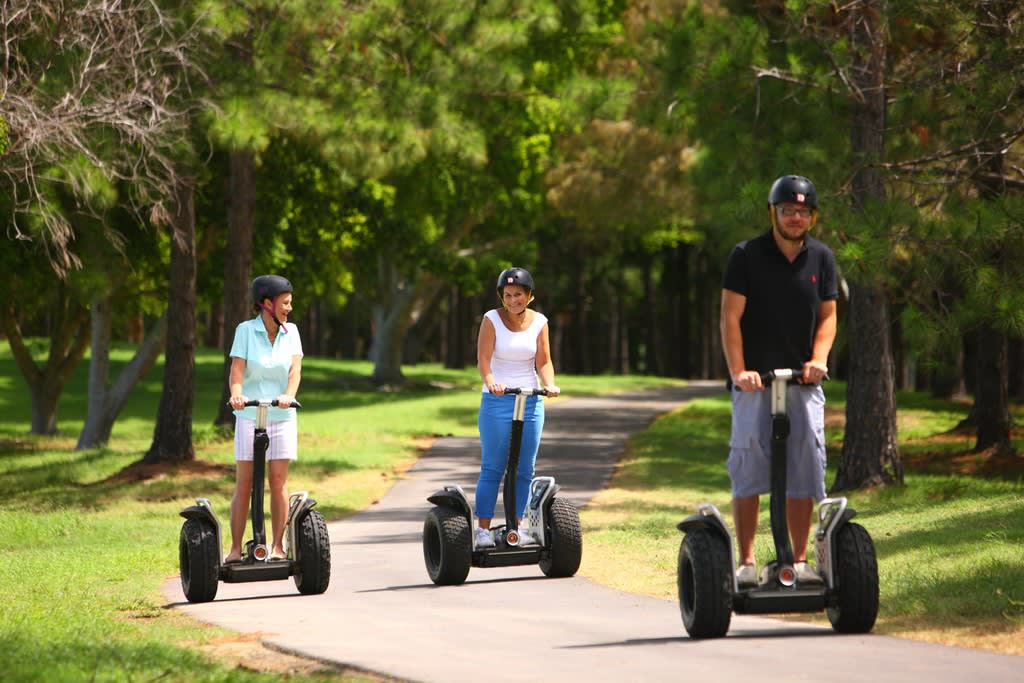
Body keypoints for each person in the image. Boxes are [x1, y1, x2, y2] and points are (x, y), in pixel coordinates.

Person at [719, 175, 838, 587]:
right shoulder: (746, 255)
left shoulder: (822, 258)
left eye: (803, 211)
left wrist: (818, 359)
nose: (796, 217)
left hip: (803, 383)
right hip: (755, 382)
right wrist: (739, 371)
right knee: (750, 467)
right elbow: (730, 318)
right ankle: (748, 562)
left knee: (804, 467)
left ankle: (800, 561)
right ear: (774, 212)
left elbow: (828, 317)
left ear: (812, 216)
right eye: (788, 210)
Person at [474, 266, 560, 548]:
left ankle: (519, 526)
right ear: (502, 297)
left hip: (530, 398)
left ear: (529, 295)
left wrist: (550, 384)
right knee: (493, 467)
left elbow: (544, 361)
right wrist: (491, 382)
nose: (513, 300)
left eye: (519, 295)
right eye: (508, 295)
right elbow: (483, 360)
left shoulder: (540, 322)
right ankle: (483, 530)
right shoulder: (491, 319)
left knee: (525, 468)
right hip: (497, 400)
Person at [223, 274, 303, 563]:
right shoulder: (245, 331)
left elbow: (295, 371)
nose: (289, 308)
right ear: (267, 304)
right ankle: (234, 549)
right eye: (285, 303)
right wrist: (237, 394)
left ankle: (278, 547)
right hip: (249, 414)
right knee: (245, 482)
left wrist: (288, 394)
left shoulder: (291, 332)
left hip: (281, 414)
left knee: (278, 481)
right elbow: (237, 372)